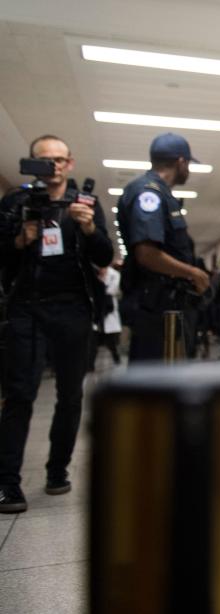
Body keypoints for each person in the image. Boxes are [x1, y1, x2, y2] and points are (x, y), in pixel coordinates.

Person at [0, 135, 113, 512]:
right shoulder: (16, 203)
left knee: (71, 394)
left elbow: (105, 256)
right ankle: (8, 483)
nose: (53, 166)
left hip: (73, 309)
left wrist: (89, 229)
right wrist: (19, 239)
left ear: (70, 163)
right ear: (31, 164)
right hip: (26, 308)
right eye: (44, 161)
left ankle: (57, 470)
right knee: (19, 394)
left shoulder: (85, 204)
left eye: (59, 160)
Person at [116, 132, 210, 362]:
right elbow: (147, 254)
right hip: (157, 306)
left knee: (166, 380)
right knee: (156, 382)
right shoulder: (150, 193)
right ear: (181, 161)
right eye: (188, 164)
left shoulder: (160, 193)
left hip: (164, 303)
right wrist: (193, 273)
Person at [87, 263, 122, 368]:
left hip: (108, 309)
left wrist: (101, 283)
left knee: (111, 341)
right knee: (94, 340)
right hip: (96, 310)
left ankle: (116, 358)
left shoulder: (114, 274)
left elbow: (112, 290)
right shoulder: (93, 273)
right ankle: (90, 365)